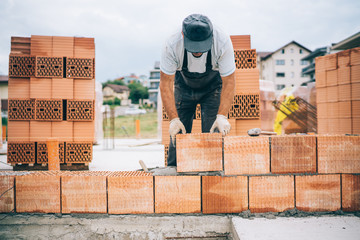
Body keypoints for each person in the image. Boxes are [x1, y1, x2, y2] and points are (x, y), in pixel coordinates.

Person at [158, 13, 236, 173]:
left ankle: (212, 175)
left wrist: (221, 116)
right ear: (182, 35)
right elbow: (165, 83)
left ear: (211, 35)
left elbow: (229, 81)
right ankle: (174, 172)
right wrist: (173, 119)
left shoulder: (222, 41)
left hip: (212, 88)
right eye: (194, 46)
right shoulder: (172, 43)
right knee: (178, 136)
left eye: (202, 46)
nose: (198, 52)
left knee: (212, 137)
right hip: (183, 86)